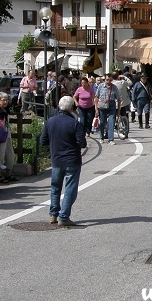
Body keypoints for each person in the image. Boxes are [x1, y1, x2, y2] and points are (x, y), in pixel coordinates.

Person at [41, 96, 87, 227]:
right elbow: (82, 143)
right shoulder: (74, 123)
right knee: (70, 188)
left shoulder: (50, 121)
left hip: (56, 159)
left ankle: (53, 214)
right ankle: (64, 217)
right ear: (72, 107)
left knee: (55, 187)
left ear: (59, 106)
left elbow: (43, 141)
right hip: (72, 159)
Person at [0, 92, 17, 183]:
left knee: (10, 155)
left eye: (6, 100)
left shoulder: (6, 111)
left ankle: (8, 174)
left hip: (7, 135)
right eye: (3, 100)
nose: (6, 102)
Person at [94, 73, 121, 145]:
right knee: (102, 122)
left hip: (111, 105)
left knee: (111, 122)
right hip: (102, 105)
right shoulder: (100, 86)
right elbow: (96, 97)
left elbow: (118, 99)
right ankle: (101, 137)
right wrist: (96, 108)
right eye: (107, 80)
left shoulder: (114, 87)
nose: (108, 81)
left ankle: (111, 139)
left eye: (110, 80)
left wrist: (118, 110)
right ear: (104, 79)